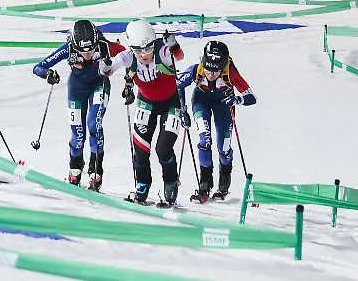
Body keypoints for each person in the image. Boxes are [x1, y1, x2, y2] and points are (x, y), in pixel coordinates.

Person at [32, 20, 128, 191]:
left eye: (91, 49)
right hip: (77, 89)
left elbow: (129, 56)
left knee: (94, 124)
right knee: (78, 134)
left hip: (100, 85)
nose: (88, 54)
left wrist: (129, 83)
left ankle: (96, 170)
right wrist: (48, 74)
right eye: (83, 51)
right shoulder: (68, 47)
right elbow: (38, 67)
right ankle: (75, 167)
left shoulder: (104, 45)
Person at [100, 19, 185, 206]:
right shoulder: (128, 57)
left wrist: (174, 45)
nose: (144, 55)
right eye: (138, 51)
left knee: (163, 149)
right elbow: (109, 69)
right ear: (132, 48)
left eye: (147, 49)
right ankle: (142, 187)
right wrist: (105, 67)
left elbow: (178, 56)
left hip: (170, 103)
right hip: (146, 104)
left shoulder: (162, 50)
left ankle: (171, 183)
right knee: (140, 151)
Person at [177, 41, 256, 202]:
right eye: (208, 68)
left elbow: (251, 97)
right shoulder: (196, 70)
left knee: (224, 147)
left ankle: (223, 187)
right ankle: (204, 185)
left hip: (223, 104)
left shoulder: (230, 71)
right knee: (204, 139)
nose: (210, 74)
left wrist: (237, 99)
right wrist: (182, 109)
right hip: (201, 100)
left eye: (215, 70)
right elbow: (177, 85)